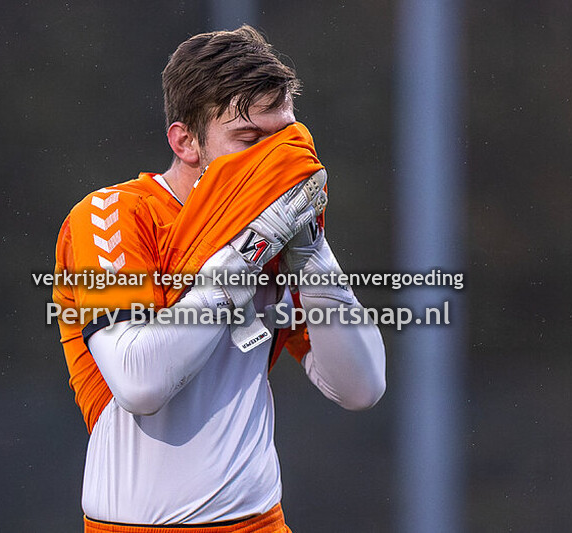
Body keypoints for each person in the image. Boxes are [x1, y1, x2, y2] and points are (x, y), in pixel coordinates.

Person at [52, 25, 386, 532]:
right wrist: (246, 256)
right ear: (185, 141)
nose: (272, 162)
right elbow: (141, 383)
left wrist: (312, 254)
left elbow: (361, 387)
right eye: (249, 140)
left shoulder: (283, 232)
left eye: (283, 139)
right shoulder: (113, 215)